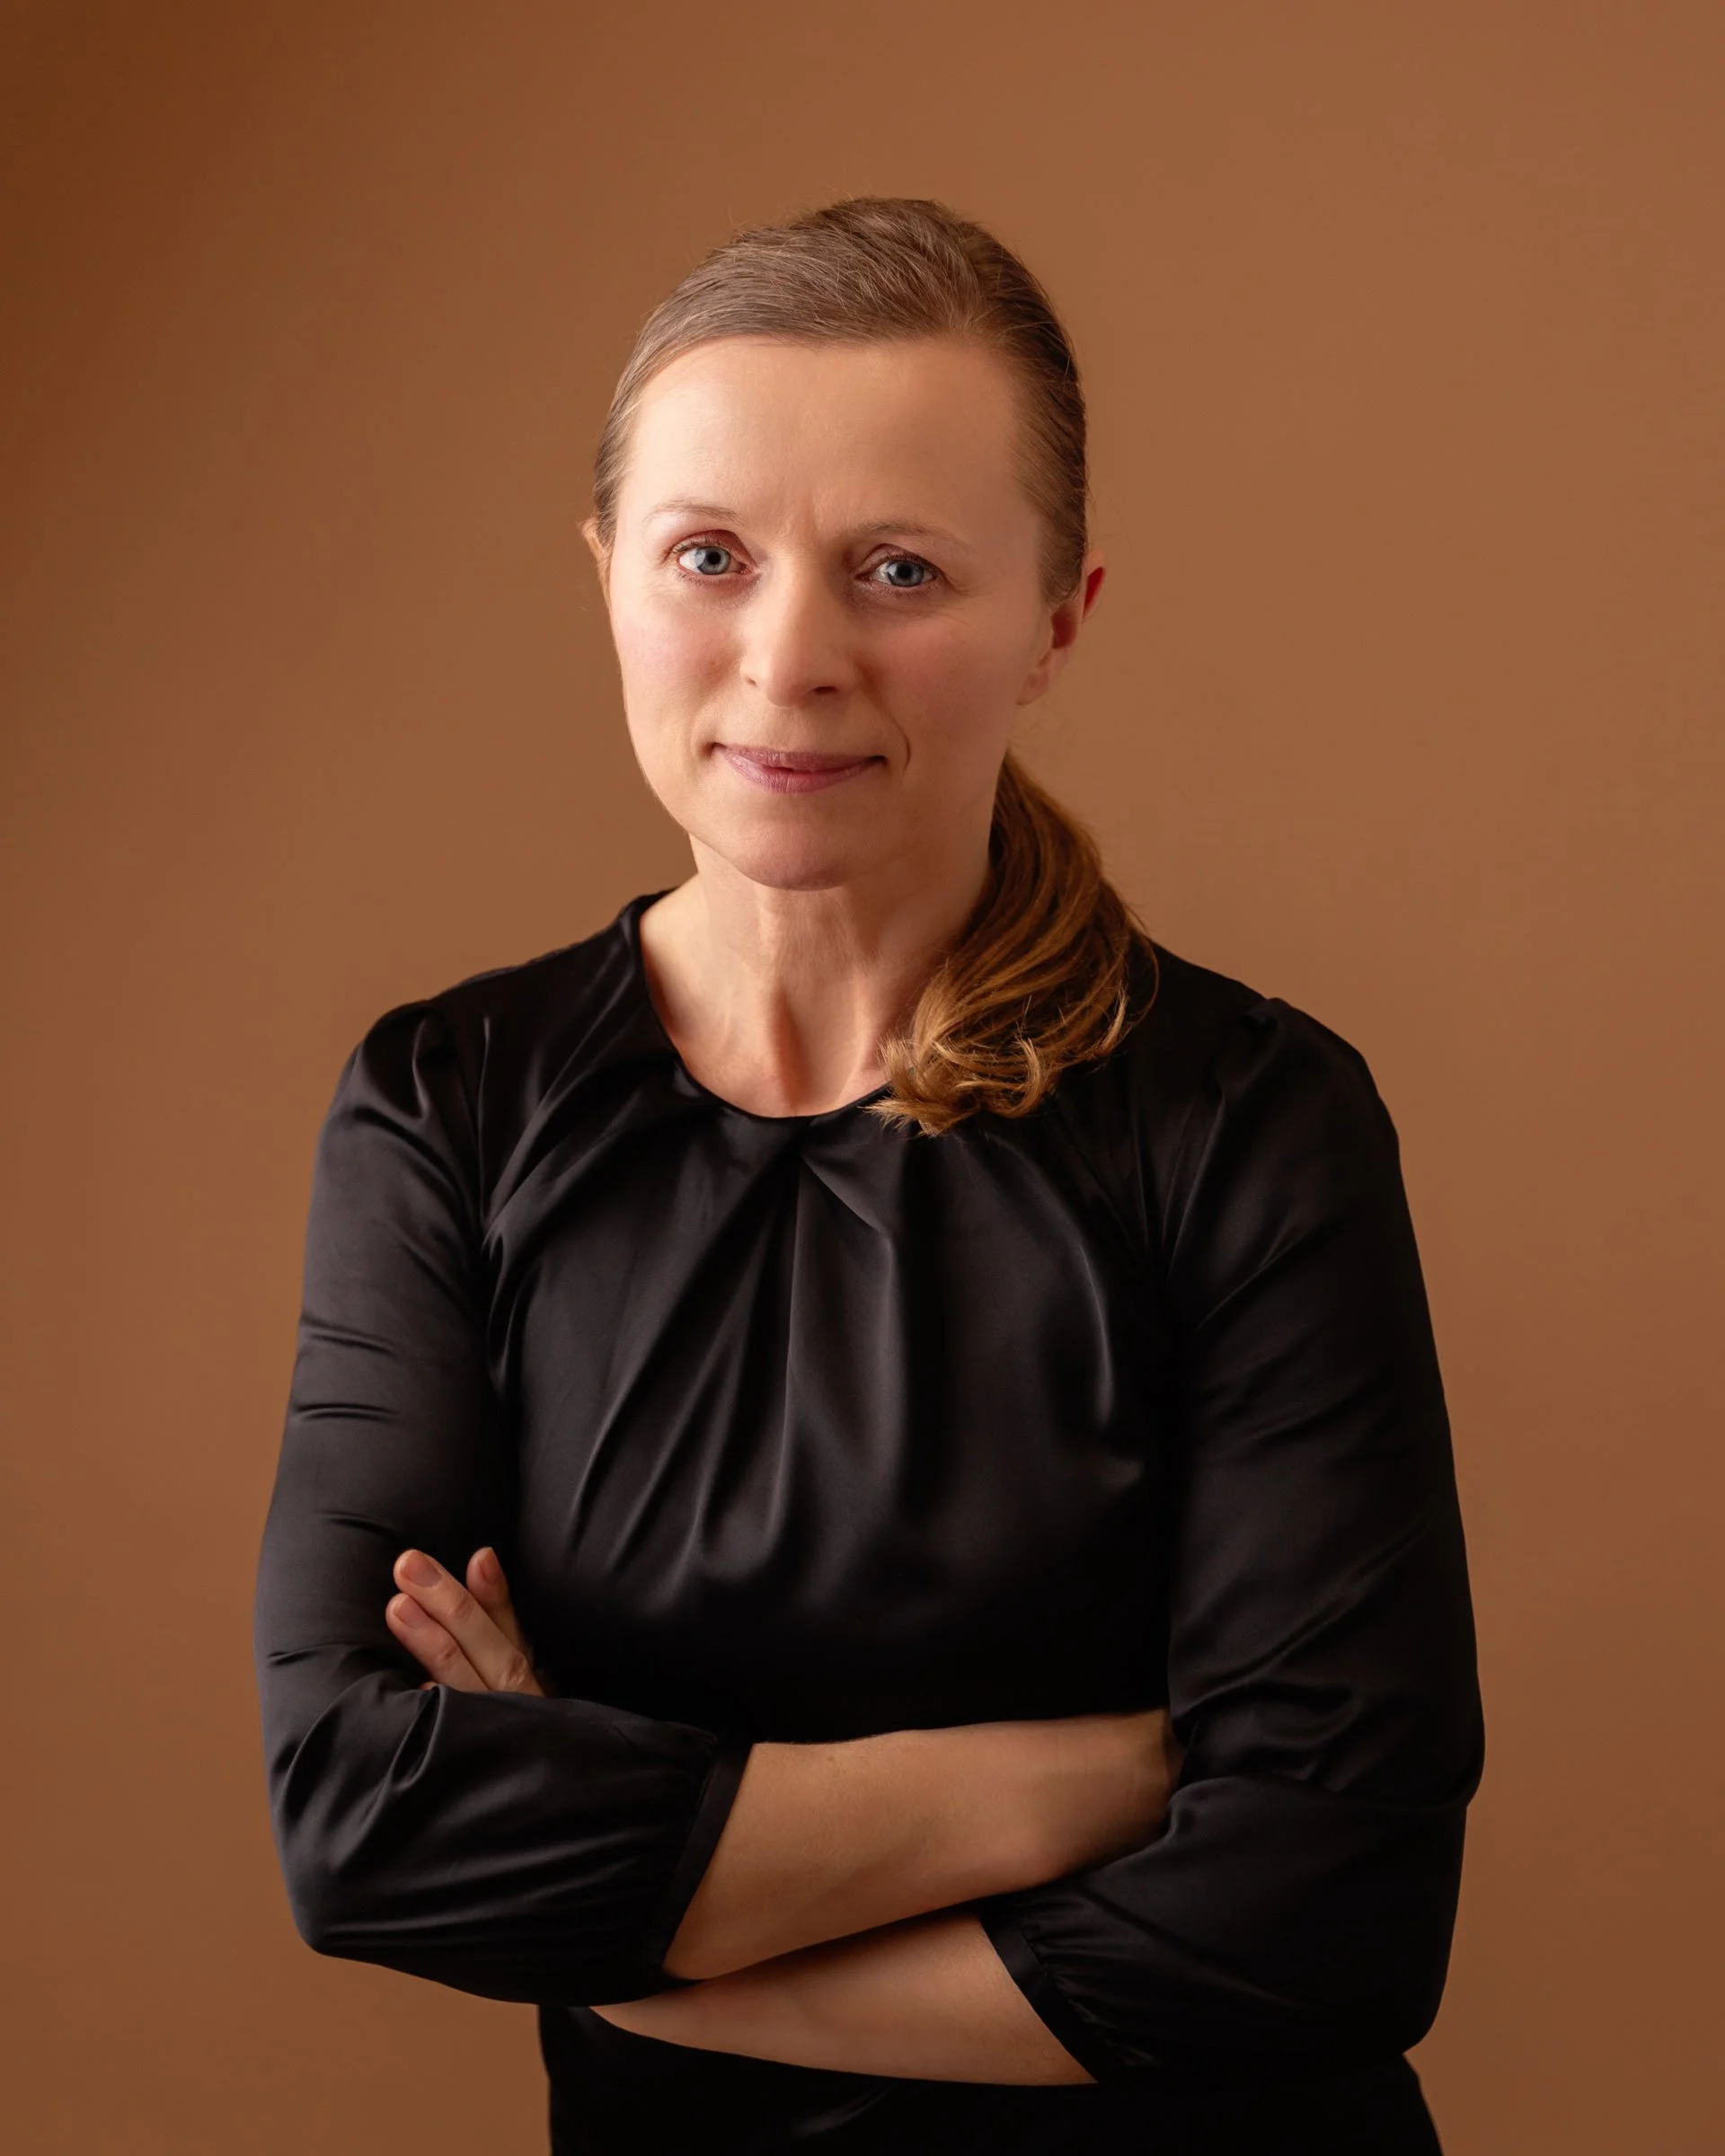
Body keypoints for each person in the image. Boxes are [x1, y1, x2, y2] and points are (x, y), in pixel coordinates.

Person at [252, 196, 1484, 2154]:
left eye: (900, 569)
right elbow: (370, 1831)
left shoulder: (1252, 1121)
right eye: (708, 557)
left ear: (1061, 617)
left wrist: (625, 1932)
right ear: (607, 576)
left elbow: (1321, 1922)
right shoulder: (450, 1101)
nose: (792, 656)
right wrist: (1098, 1780)